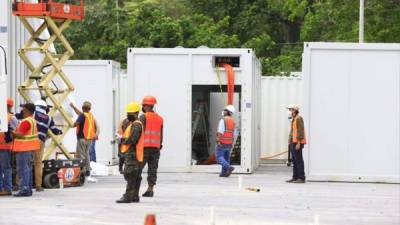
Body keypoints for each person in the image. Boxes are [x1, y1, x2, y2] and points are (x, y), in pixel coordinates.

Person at [30, 100, 62, 191]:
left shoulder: (33, 113)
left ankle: (19, 184)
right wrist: (60, 131)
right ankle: (38, 186)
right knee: (38, 163)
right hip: (40, 141)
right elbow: (55, 131)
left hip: (29, 139)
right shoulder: (49, 118)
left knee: (26, 162)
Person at [116, 102, 144, 203]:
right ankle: (134, 196)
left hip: (133, 154)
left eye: (130, 113)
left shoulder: (136, 125)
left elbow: (132, 140)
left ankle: (128, 196)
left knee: (130, 174)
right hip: (132, 153)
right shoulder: (132, 124)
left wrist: (121, 140)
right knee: (134, 175)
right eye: (128, 113)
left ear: (136, 114)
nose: (128, 115)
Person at [12, 103, 41, 197]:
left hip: (23, 148)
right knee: (27, 169)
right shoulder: (32, 120)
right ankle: (28, 189)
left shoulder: (25, 121)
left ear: (28, 110)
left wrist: (12, 132)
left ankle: (24, 189)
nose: (22, 110)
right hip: (29, 148)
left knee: (23, 169)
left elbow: (20, 134)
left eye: (23, 108)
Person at [139, 96, 164, 197]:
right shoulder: (160, 118)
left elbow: (139, 131)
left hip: (144, 147)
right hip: (156, 147)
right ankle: (150, 189)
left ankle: (134, 189)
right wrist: (159, 145)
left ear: (145, 106)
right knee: (153, 169)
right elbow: (161, 134)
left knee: (137, 168)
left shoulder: (143, 117)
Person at [70, 101, 99, 177]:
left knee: (81, 155)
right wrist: (73, 107)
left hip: (82, 138)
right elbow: (80, 114)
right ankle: (88, 170)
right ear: (89, 109)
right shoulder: (90, 115)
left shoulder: (83, 115)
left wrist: (70, 124)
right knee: (86, 155)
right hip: (89, 139)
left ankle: (82, 171)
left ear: (83, 108)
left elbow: (76, 123)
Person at [0, 98, 19, 196]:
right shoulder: (11, 117)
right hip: (5, 146)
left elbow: (18, 132)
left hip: (5, 146)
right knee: (6, 168)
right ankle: (4, 189)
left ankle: (7, 189)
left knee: (6, 168)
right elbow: (18, 130)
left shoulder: (11, 117)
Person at [286, 104, 307, 183]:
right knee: (294, 160)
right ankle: (295, 177)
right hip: (292, 142)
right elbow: (292, 131)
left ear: (295, 110)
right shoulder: (294, 119)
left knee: (299, 160)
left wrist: (298, 142)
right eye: (290, 109)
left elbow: (300, 131)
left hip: (297, 142)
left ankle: (301, 178)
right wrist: (289, 139)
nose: (290, 111)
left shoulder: (299, 118)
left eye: (291, 109)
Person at [216, 105, 236, 177]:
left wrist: (218, 141)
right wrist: (232, 143)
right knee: (226, 158)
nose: (223, 111)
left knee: (219, 157)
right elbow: (234, 134)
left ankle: (228, 167)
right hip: (229, 143)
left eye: (225, 110)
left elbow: (220, 132)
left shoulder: (223, 120)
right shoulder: (233, 121)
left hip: (222, 142)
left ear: (228, 112)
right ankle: (223, 173)